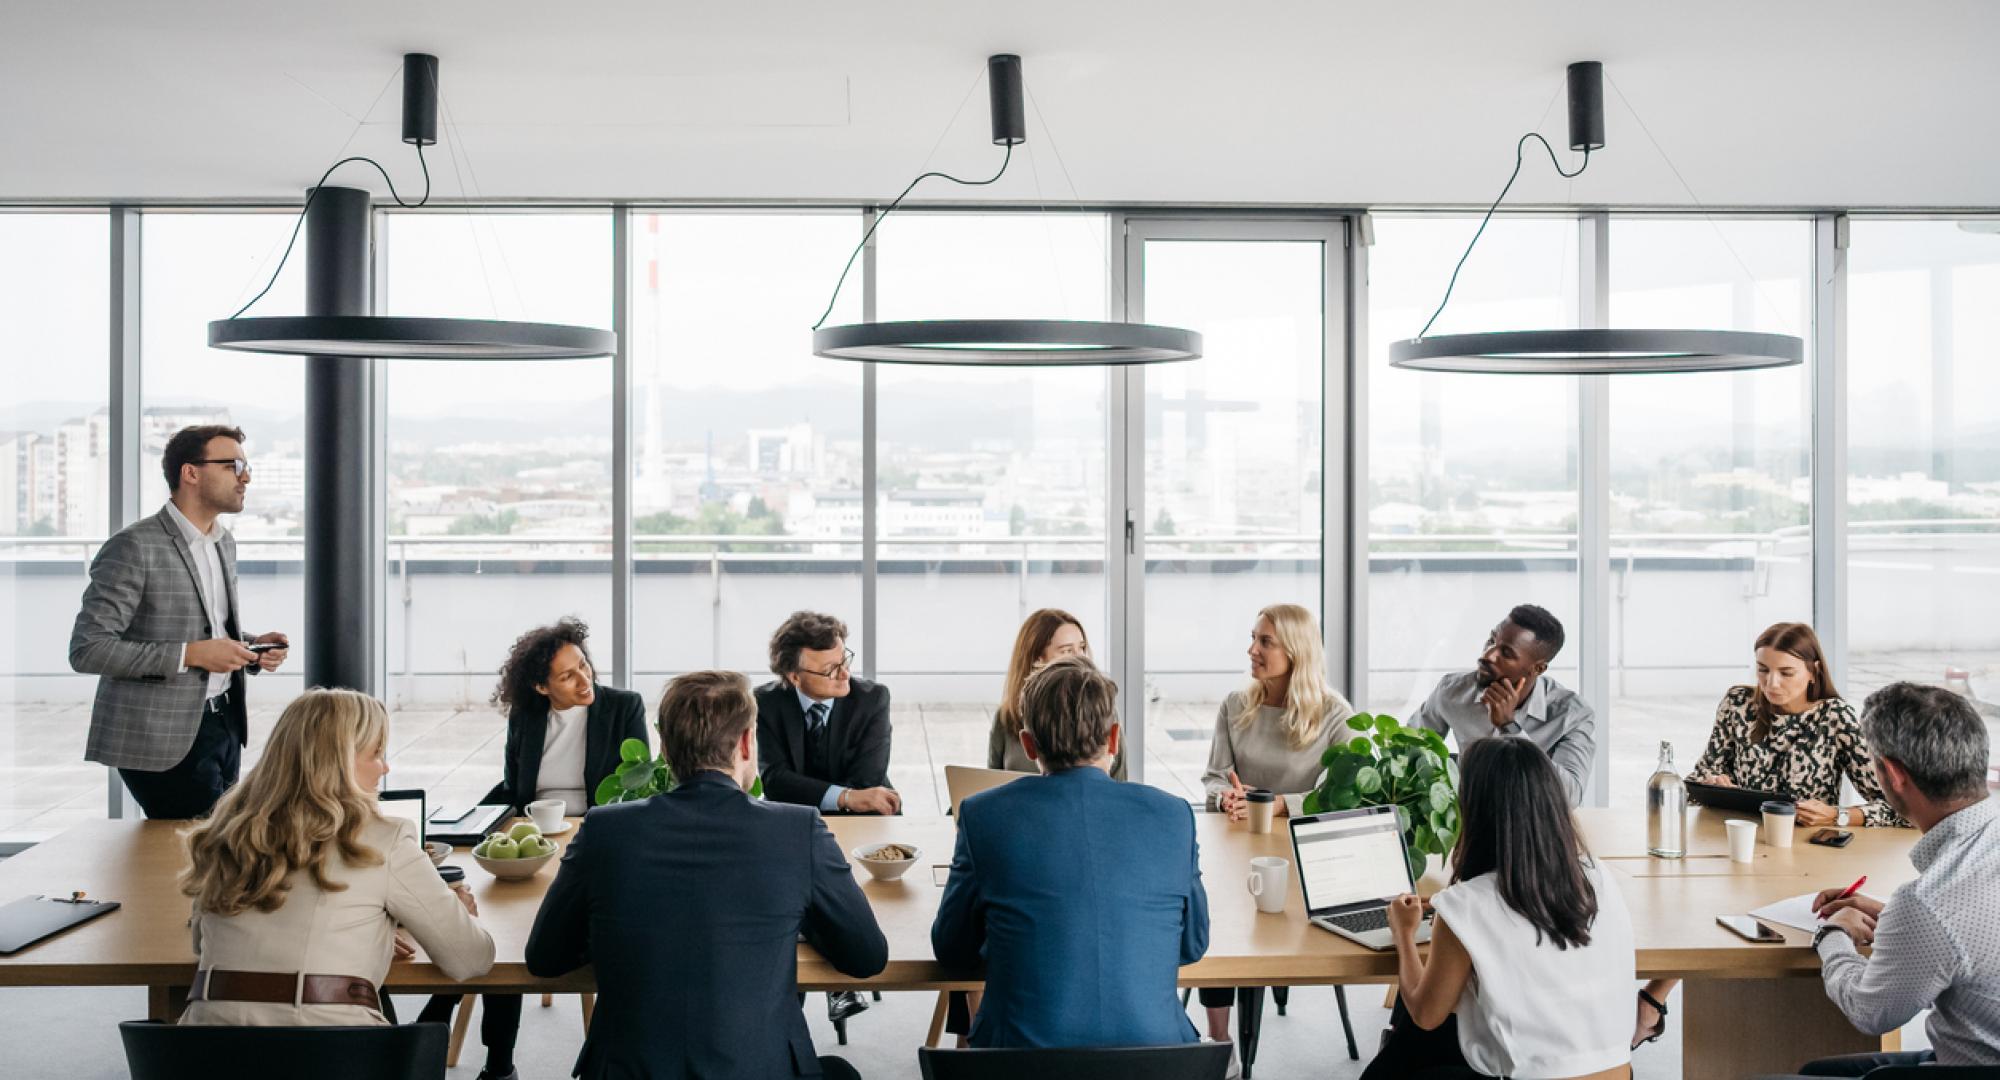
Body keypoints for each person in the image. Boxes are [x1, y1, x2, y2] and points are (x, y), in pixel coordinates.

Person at [527, 670, 887, 1080]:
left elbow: (545, 958)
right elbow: (866, 957)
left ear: (664, 748)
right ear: (748, 743)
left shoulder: (604, 829)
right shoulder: (798, 830)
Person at [1633, 622, 1907, 1050]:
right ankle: (1657, 1000)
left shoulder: (1836, 717)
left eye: (1785, 673)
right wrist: (1715, 783)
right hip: (1734, 844)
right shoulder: (1738, 703)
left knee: (1736, 909)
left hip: (1806, 859)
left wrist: (1840, 814)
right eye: (1762, 670)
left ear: (1813, 672)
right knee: (1700, 907)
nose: (1770, 683)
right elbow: (1702, 772)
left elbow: (1896, 805)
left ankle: (1652, 999)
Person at [414, 617, 648, 1080]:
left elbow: (633, 790)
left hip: (595, 840)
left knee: (514, 934)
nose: (585, 681)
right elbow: (513, 788)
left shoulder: (623, 707)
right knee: (486, 922)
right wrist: (463, 823)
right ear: (542, 687)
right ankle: (496, 1061)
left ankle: (485, 1056)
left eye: (584, 666)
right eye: (568, 675)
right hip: (534, 842)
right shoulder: (527, 716)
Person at [933, 657, 1209, 1048]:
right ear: (1114, 739)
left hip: (1019, 1064)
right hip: (1158, 1061)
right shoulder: (1174, 815)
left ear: (1028, 745)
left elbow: (952, 950)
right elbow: (1192, 945)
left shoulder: (982, 815)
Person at [177, 688, 494, 1027]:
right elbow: (470, 960)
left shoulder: (228, 832)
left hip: (204, 1051)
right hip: (333, 1053)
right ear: (337, 760)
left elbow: (201, 945)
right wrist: (455, 912)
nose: (385, 767)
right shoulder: (385, 838)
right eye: (375, 753)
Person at [1754, 682, 1999, 1078]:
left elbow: (1872, 1012)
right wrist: (1895, 921)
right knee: (1815, 1068)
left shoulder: (1930, 902)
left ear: (1892, 774)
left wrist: (1832, 934)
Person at [1362, 738, 1635, 1080]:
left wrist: (1403, 932)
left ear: (1475, 811)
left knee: (1403, 1050)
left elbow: (1425, 1013)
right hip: (1619, 1073)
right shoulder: (1598, 876)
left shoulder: (1466, 906)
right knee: (1418, 1042)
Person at [69, 424, 290, 818]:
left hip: (223, 724)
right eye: (234, 465)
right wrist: (192, 655)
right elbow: (89, 649)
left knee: (217, 852)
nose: (246, 476)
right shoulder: (134, 546)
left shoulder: (222, 541)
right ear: (190, 473)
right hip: (160, 737)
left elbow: (207, 627)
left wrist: (251, 648)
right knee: (193, 858)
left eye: (246, 465)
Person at [1197, 603, 1357, 1063]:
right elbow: (1213, 776)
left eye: (1265, 641)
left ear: (1295, 649)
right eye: (1253, 638)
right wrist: (1223, 798)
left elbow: (1342, 794)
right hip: (1235, 846)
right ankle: (1221, 1044)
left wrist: (1284, 803)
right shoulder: (1235, 705)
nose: (1252, 649)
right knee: (1217, 925)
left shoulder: (1333, 714)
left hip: (1301, 855)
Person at [1410, 604, 1596, 807]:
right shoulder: (1453, 691)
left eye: (1506, 653)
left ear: (1538, 668)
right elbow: (1407, 749)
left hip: (1534, 825)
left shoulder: (1571, 714)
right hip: (1468, 818)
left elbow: (1570, 796)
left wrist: (1509, 727)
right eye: (1491, 640)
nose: (1486, 656)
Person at [755, 610, 899, 815]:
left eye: (844, 660)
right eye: (830, 669)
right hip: (796, 816)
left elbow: (867, 781)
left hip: (864, 815)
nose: (845, 674)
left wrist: (846, 798)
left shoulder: (873, 699)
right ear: (794, 677)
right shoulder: (767, 702)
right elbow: (775, 781)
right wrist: (844, 797)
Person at [987, 608, 1125, 779]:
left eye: (1082, 647)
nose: (1081, 657)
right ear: (1037, 659)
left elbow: (1120, 783)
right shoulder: (1006, 717)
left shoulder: (1102, 710)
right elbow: (991, 782)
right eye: (1066, 651)